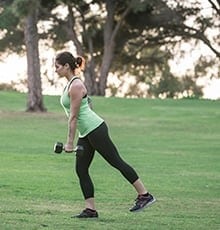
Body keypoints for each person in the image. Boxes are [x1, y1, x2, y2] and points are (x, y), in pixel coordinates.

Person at [55, 51, 156, 218]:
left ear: (67, 66)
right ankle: (90, 210)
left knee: (115, 161)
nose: (55, 70)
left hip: (95, 129)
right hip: (87, 131)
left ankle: (145, 195)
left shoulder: (76, 85)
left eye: (57, 66)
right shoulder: (70, 84)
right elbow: (88, 103)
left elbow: (73, 116)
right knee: (81, 169)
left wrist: (69, 143)